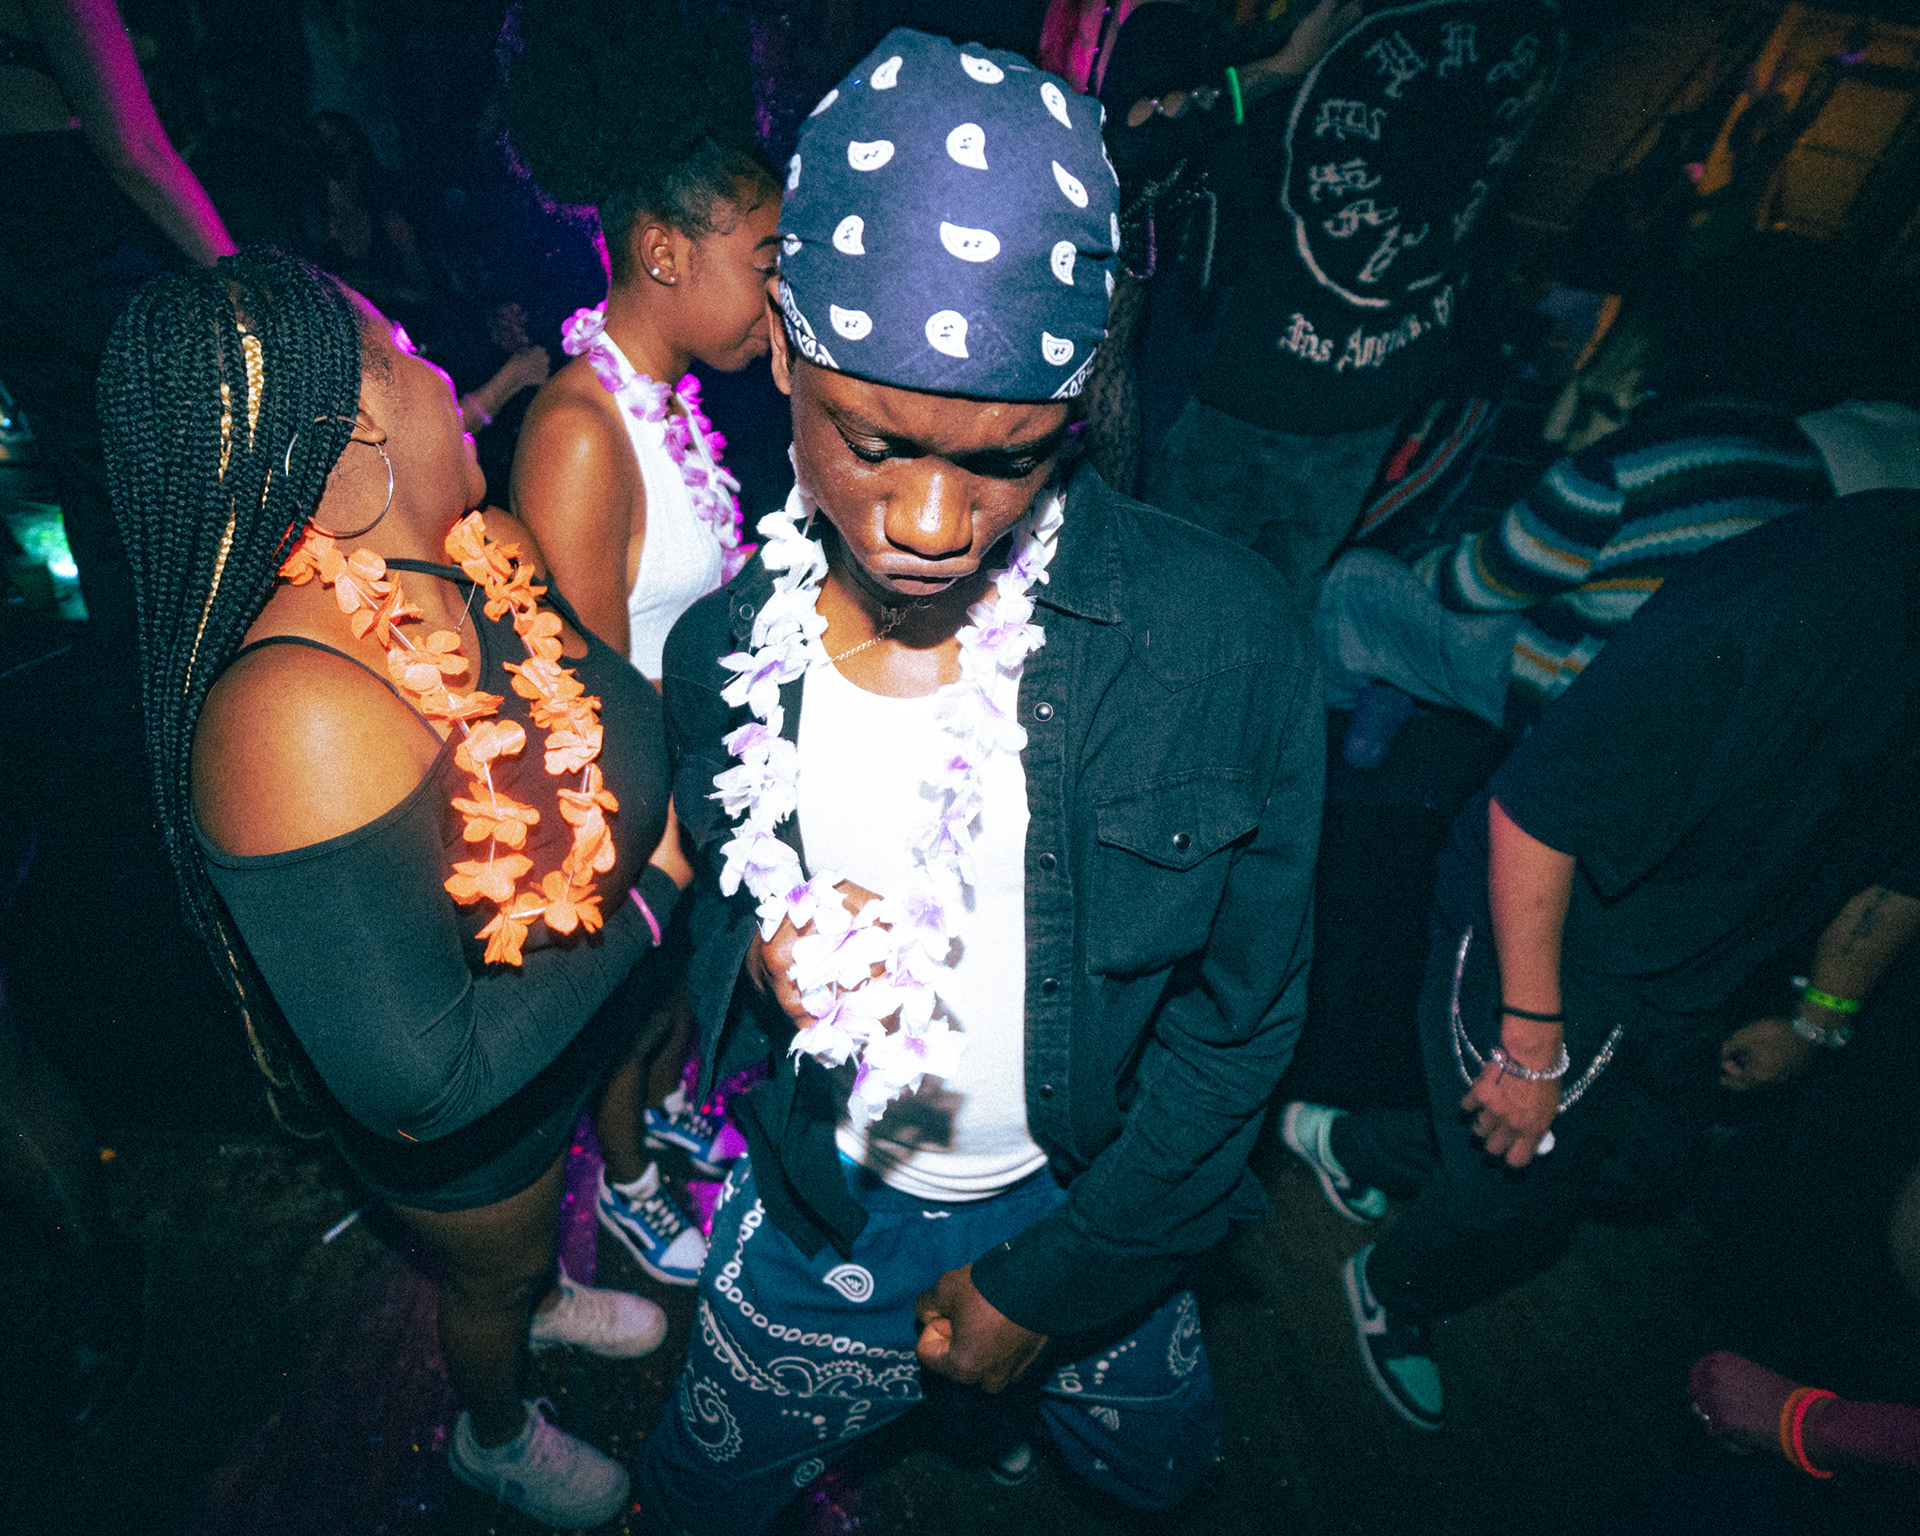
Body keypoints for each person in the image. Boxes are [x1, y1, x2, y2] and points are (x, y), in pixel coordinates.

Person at [637, 30, 1323, 1532]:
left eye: (1006, 461)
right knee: (703, 1488)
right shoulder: (720, 652)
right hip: (826, 1205)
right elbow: (704, 922)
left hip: (1097, 1205)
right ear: (781, 348)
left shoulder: (1222, 643)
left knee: (1160, 1475)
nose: (935, 523)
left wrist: (1054, 1284)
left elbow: (1242, 1022)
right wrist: (759, 960)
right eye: (875, 444)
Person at [98, 250, 694, 1529]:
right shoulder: (295, 715)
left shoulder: (485, 552)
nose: (446, 376)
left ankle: (545, 1298)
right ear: (363, 421)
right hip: (475, 1119)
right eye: (414, 351)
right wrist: (648, 898)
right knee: (494, 1269)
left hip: (563, 1018)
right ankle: (496, 1431)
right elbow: (429, 1085)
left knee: (538, 1249)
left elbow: (613, 727)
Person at [1281, 490, 1920, 1432]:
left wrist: (1818, 1018)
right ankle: (1394, 1284)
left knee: (1638, 1168)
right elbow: (1538, 814)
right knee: (1518, 1202)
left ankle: (1349, 1146)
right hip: (1558, 934)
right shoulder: (1804, 610)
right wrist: (1531, 1044)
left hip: (1698, 965)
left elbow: (1898, 873)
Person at [503, 0, 782, 1288]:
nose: (781, 288)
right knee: (619, 1007)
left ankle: (663, 1116)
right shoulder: (578, 433)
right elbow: (582, 711)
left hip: (686, 788)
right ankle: (621, 1183)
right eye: (766, 258)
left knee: (664, 1008)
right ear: (665, 253)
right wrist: (658, 846)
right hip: (628, 808)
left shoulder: (665, 407)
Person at [1144, 0, 1567, 592]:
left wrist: (1278, 68)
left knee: (1168, 598)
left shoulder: (1350, 16)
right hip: (1374, 384)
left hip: (1253, 388)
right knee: (1263, 613)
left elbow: (1153, 138)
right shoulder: (1543, 27)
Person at [0, 0, 237, 668]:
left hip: (25, 256)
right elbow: (135, 150)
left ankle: (155, 706)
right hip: (78, 239)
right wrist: (247, 284)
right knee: (182, 501)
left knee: (103, 501)